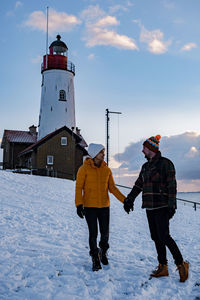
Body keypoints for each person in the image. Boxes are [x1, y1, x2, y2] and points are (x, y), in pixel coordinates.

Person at [123, 135, 189, 282]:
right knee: (156, 237)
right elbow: (138, 185)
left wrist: (172, 206)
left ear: (151, 149)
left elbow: (172, 186)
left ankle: (181, 264)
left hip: (162, 206)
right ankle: (163, 266)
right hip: (149, 207)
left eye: (144, 148)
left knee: (164, 236)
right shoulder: (145, 167)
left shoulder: (166, 164)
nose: (142, 150)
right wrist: (129, 199)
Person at [75, 143, 126, 271]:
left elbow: (112, 188)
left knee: (105, 234)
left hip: (104, 207)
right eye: (101, 152)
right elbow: (78, 188)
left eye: (103, 152)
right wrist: (79, 204)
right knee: (93, 233)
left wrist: (125, 201)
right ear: (93, 154)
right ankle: (95, 257)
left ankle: (103, 252)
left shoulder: (107, 170)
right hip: (89, 207)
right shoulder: (83, 169)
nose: (103, 154)